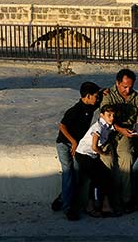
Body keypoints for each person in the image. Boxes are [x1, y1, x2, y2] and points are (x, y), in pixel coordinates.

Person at [97, 68, 138, 213]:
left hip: (126, 135)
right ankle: (107, 200)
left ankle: (126, 199)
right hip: (107, 134)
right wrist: (120, 128)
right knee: (107, 161)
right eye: (124, 86)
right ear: (117, 83)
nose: (127, 90)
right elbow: (104, 120)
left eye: (130, 86)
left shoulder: (136, 98)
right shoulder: (108, 96)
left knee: (127, 158)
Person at [52, 81, 101, 218]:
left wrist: (105, 92)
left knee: (78, 174)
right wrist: (73, 142)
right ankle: (68, 209)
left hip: (77, 146)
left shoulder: (90, 106)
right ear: (87, 96)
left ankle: (63, 198)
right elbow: (62, 126)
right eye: (95, 96)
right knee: (68, 174)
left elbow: (100, 97)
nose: (97, 99)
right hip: (64, 144)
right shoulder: (75, 110)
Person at [67, 105, 116, 220]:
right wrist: (103, 153)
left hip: (91, 156)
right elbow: (94, 147)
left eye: (113, 115)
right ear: (102, 115)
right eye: (109, 115)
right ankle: (91, 206)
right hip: (84, 155)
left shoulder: (107, 126)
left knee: (104, 175)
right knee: (95, 179)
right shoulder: (98, 127)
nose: (112, 117)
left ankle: (103, 205)